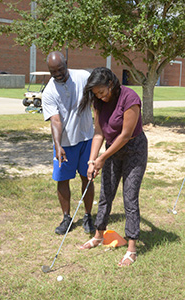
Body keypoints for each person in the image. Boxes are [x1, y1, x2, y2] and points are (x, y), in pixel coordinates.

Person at [78, 67, 148, 266]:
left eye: (101, 92)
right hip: (112, 149)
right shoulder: (98, 102)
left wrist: (103, 158)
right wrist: (92, 161)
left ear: (111, 84)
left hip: (134, 149)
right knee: (105, 193)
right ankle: (99, 235)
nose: (99, 97)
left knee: (130, 196)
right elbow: (99, 133)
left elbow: (125, 135)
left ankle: (132, 249)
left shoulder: (130, 98)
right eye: (95, 94)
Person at [42, 51, 95, 235]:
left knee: (87, 177)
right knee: (62, 179)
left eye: (60, 70)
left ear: (67, 64)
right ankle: (66, 218)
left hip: (87, 137)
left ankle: (88, 216)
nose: (57, 74)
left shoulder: (83, 76)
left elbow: (96, 98)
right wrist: (58, 145)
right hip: (65, 143)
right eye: (52, 71)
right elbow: (55, 120)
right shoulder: (49, 91)